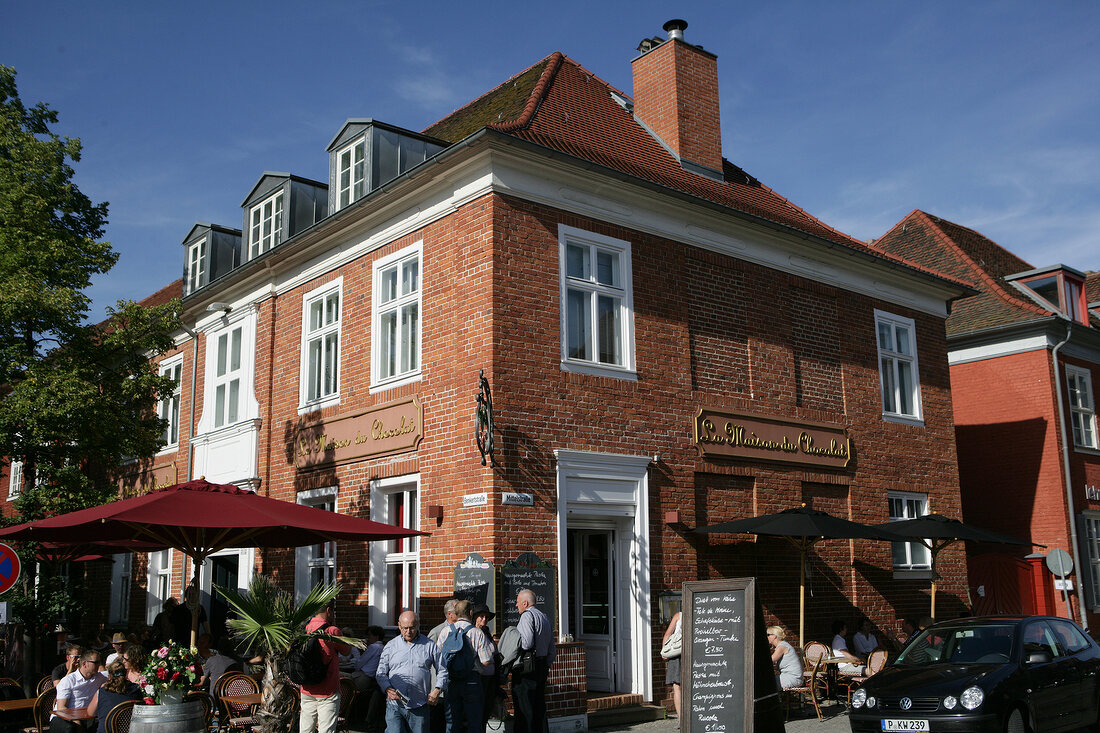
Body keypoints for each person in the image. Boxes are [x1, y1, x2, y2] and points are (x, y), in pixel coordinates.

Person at [376, 610, 447, 733]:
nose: (408, 632)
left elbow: (442, 670)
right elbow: (380, 672)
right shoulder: (391, 646)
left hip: (419, 705)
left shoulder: (429, 645)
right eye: (404, 628)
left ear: (418, 625)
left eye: (412, 628)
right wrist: (387, 688)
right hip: (395, 705)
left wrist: (437, 690)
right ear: (399, 625)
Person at [437, 600, 493, 733]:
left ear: (455, 613)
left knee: (452, 722)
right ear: (471, 613)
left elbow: (438, 658)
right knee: (474, 721)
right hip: (472, 681)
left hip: (451, 681)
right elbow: (486, 661)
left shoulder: (445, 631)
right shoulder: (477, 633)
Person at [300, 600, 351, 733]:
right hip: (327, 688)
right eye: (333, 611)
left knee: (305, 729)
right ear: (328, 611)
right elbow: (347, 651)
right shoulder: (332, 631)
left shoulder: (304, 628)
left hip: (307, 687)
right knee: (326, 730)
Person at [512, 589, 556, 733]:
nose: (516, 605)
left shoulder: (526, 616)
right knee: (539, 707)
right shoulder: (545, 617)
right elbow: (552, 649)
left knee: (525, 708)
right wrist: (546, 665)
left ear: (525, 603)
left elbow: (526, 643)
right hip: (542, 666)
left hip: (527, 668)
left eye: (518, 602)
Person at [52, 649, 106, 732]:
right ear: (84, 664)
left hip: (87, 717)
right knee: (71, 728)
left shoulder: (100, 678)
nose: (99, 665)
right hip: (63, 717)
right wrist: (75, 720)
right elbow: (61, 708)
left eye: (100, 662)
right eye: (96, 662)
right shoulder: (68, 680)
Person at [88, 658, 141, 731]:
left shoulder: (102, 691)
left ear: (109, 676)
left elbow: (91, 713)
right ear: (126, 674)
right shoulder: (137, 690)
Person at [350, 626, 386, 733]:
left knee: (339, 676)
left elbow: (360, 662)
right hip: (373, 680)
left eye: (369, 635)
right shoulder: (383, 648)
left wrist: (355, 667)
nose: (368, 638)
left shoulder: (373, 647)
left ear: (376, 636)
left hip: (363, 677)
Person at [471, 604, 499, 730]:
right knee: (478, 712)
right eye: (481, 616)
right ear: (475, 617)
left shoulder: (487, 633)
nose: (484, 619)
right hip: (479, 678)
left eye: (487, 617)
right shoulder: (471, 633)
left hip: (490, 678)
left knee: (486, 710)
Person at [662, 612, 682, 724]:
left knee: (677, 687)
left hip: (676, 654)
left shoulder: (679, 616)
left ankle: (681, 719)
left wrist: (664, 651)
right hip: (692, 653)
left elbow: (668, 634)